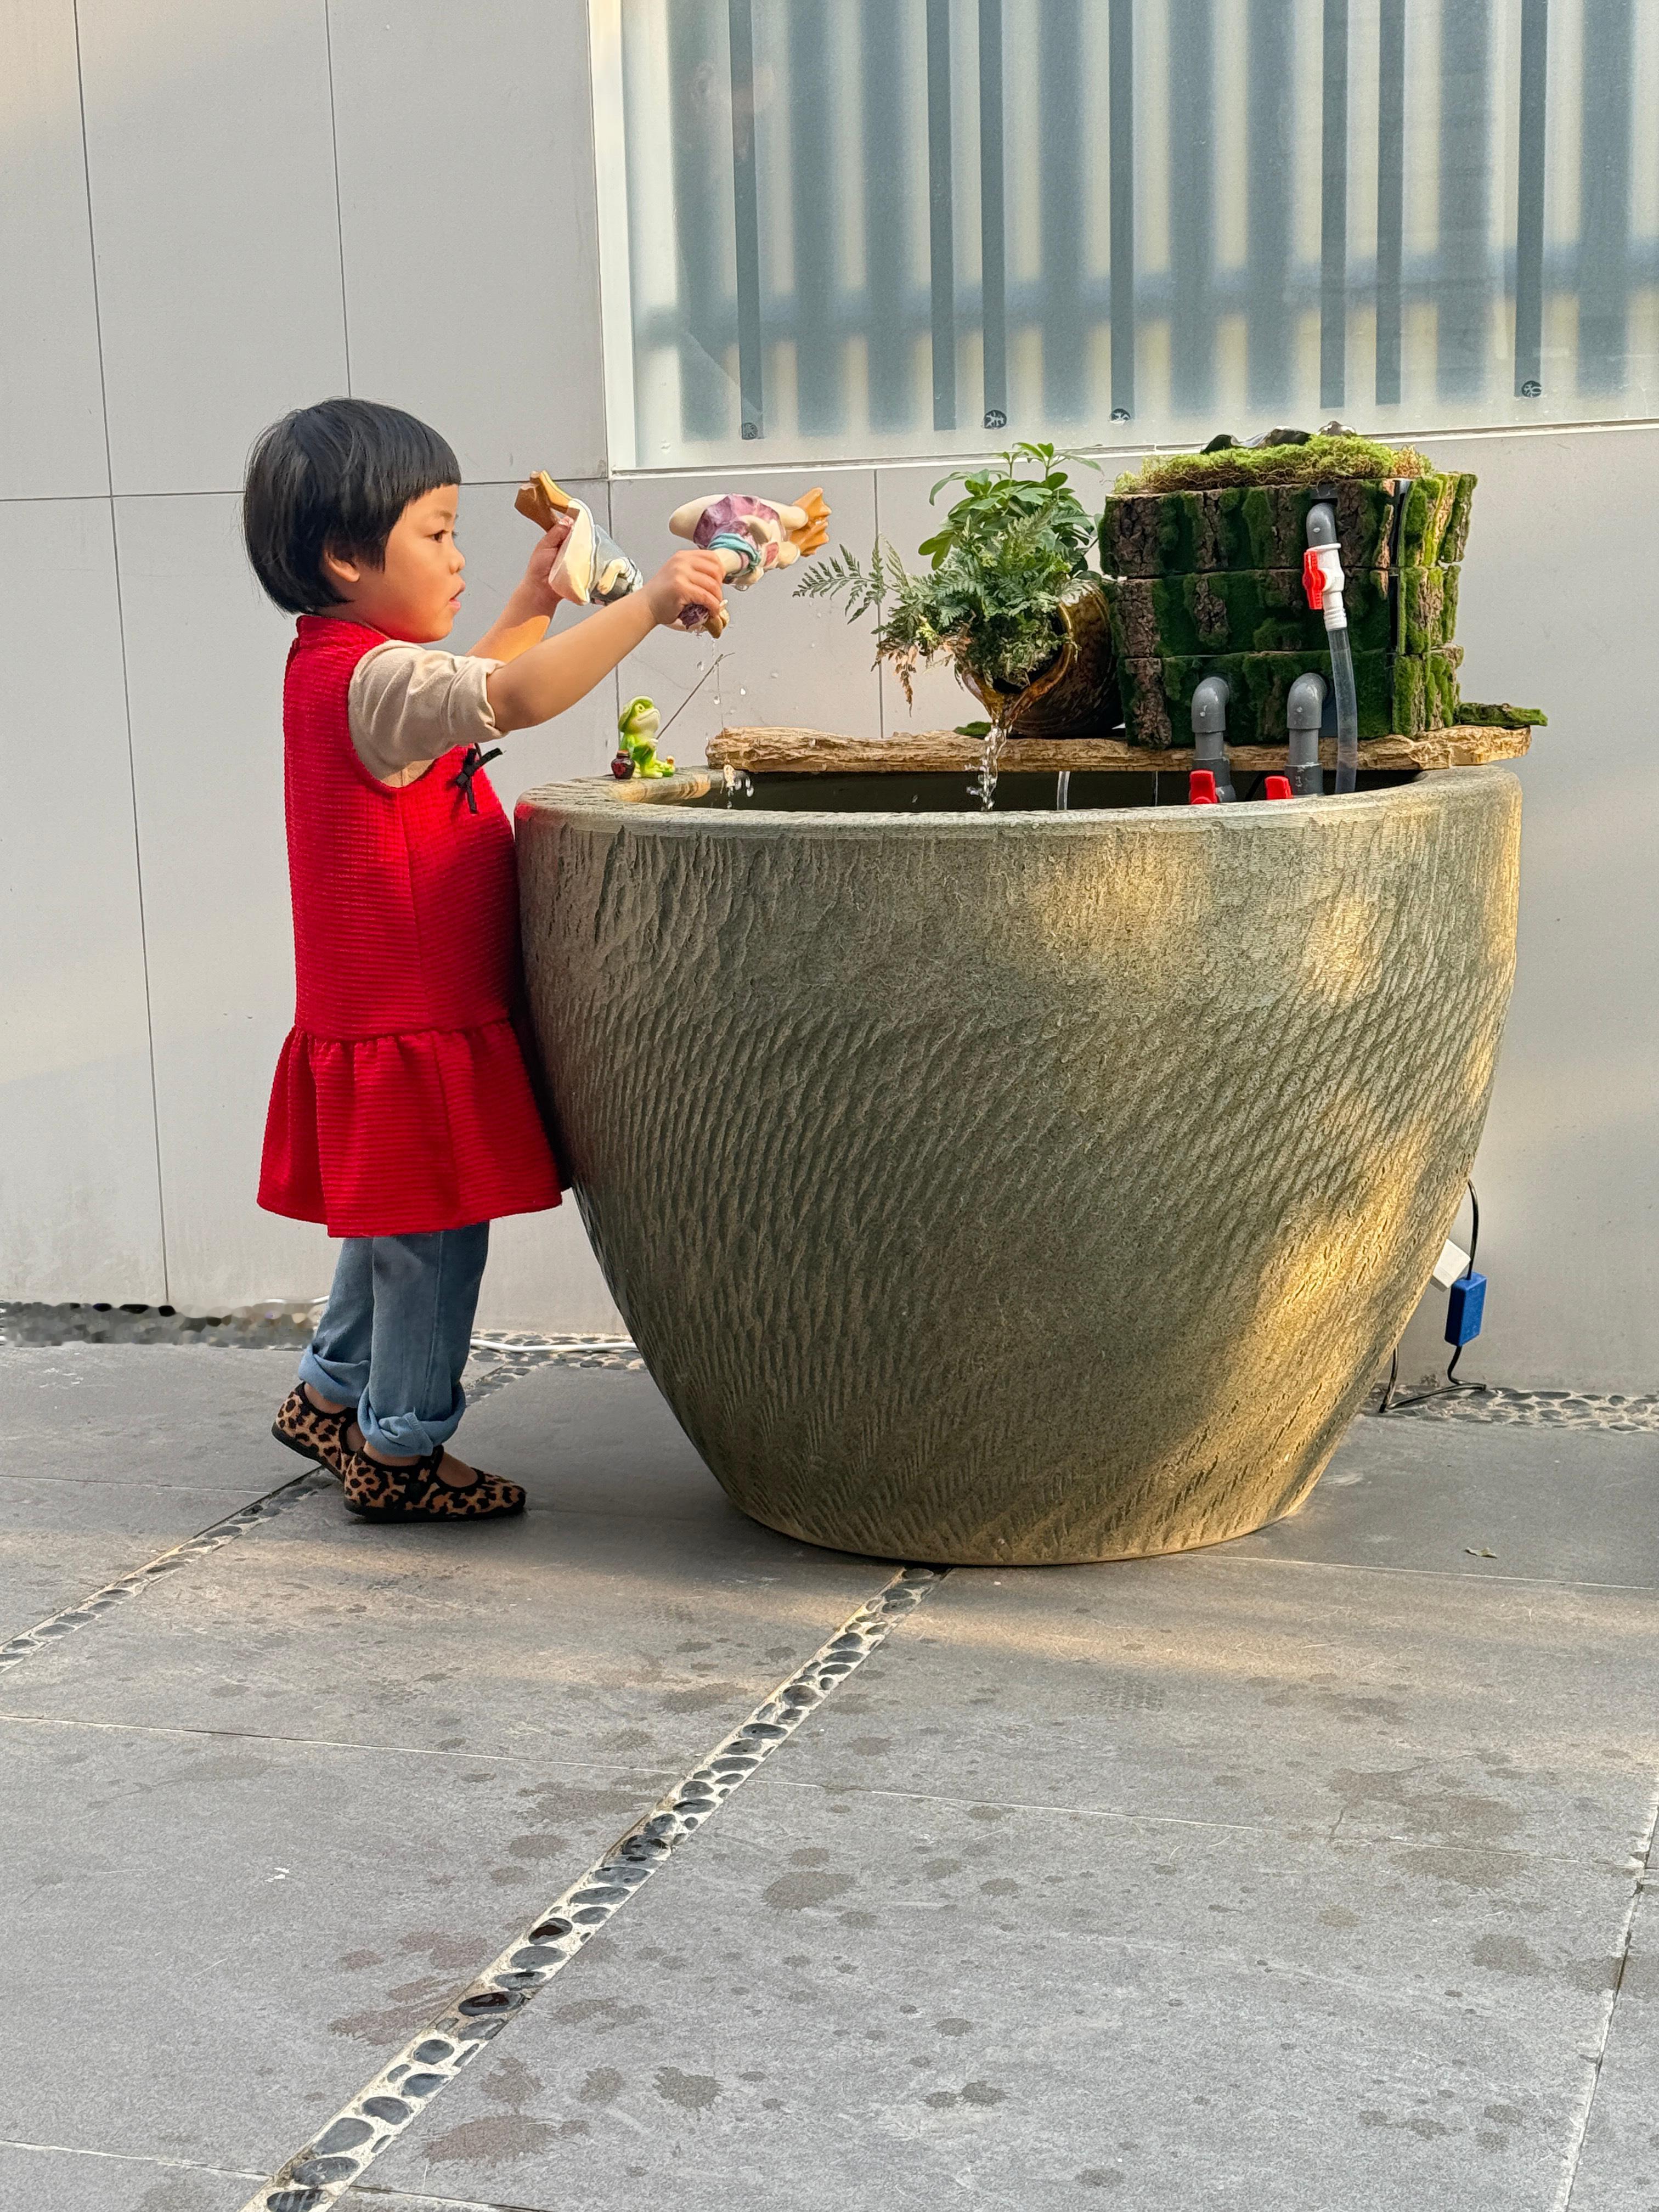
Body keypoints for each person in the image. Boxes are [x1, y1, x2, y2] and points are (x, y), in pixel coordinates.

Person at [241, 396, 724, 1523]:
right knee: (433, 1243)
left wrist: (532, 601)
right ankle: (400, 1450)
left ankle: (332, 1391)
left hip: (391, 1015)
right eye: (438, 532)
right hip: (415, 1017)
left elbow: (468, 695)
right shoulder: (373, 680)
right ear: (347, 555)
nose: (458, 555)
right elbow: (509, 697)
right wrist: (648, 602)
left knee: (393, 1225)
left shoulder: (346, 667)